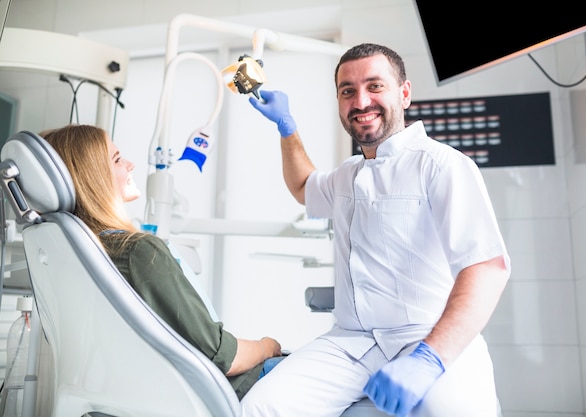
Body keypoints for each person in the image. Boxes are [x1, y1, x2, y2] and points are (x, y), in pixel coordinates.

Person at [241, 43, 511, 417]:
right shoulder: (347, 174)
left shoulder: (441, 165)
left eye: (375, 86)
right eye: (347, 91)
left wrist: (429, 358)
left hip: (426, 336)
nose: (361, 101)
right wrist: (287, 126)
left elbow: (486, 268)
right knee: (259, 407)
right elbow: (303, 187)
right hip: (350, 343)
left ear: (404, 93)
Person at [41, 124, 283, 400]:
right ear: (91, 176)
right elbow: (222, 356)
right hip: (223, 393)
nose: (130, 164)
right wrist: (266, 346)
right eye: (117, 159)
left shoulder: (79, 253)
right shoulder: (137, 251)